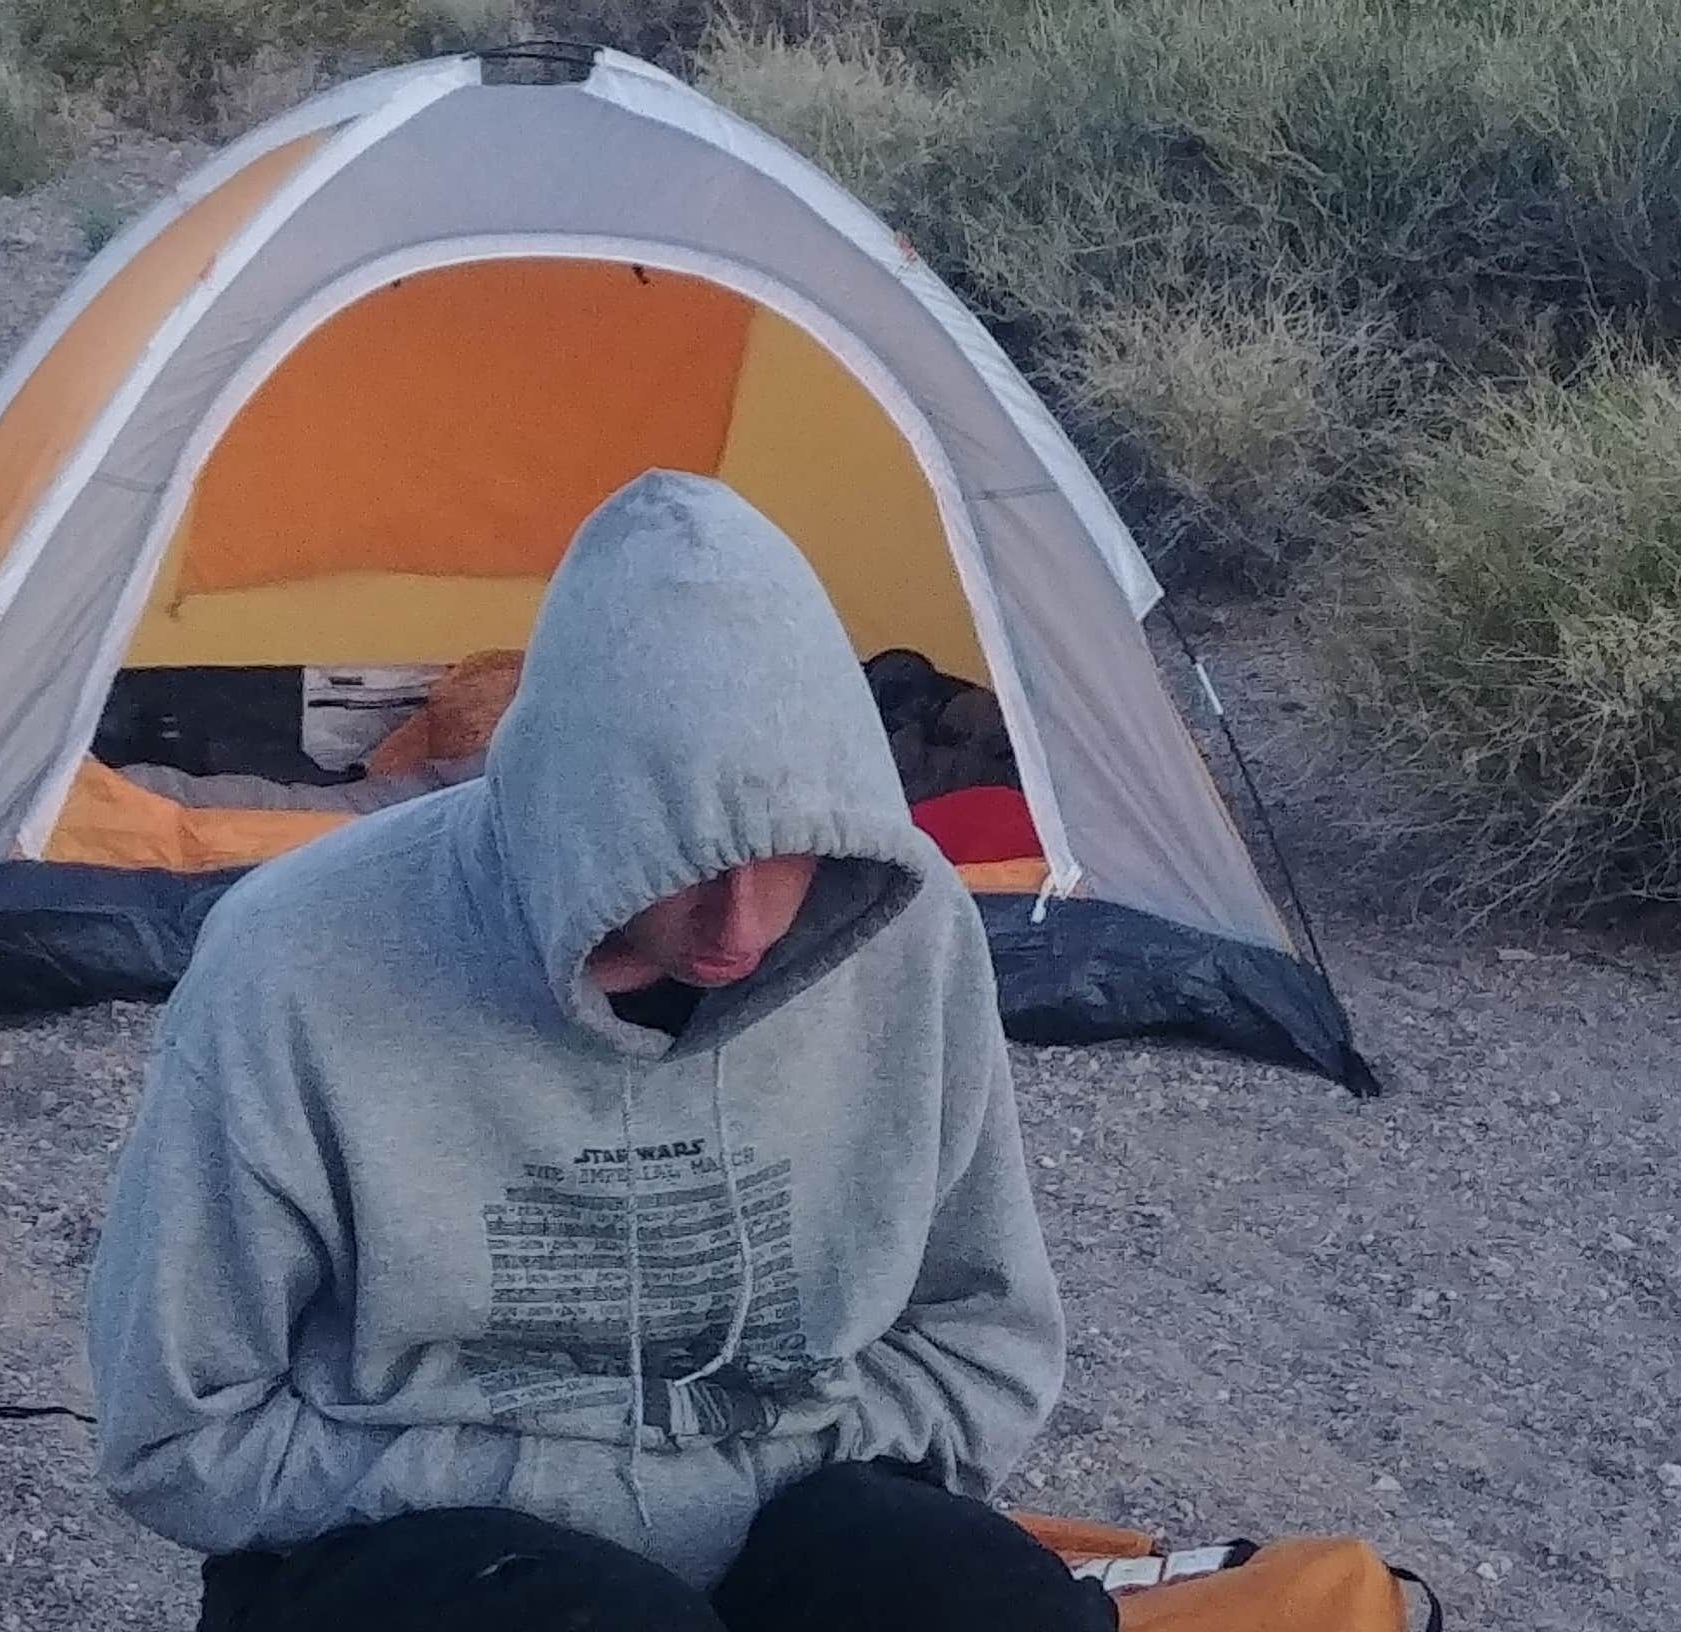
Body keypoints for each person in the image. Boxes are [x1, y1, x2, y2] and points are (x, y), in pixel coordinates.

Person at [85, 472, 1104, 1631]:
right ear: (580, 814)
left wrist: (723, 1495)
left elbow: (979, 1332)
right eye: (679, 861)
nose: (739, 925)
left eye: (789, 854)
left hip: (786, 1488)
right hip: (401, 1540)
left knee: (1004, 1612)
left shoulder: (909, 934)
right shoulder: (294, 958)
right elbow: (178, 1431)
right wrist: (603, 1510)